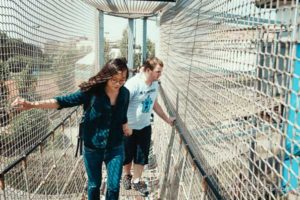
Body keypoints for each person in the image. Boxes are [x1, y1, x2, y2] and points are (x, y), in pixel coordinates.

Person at [11, 58, 132, 200]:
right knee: (94, 185)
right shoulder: (92, 92)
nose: (118, 83)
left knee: (114, 187)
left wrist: (125, 125)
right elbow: (62, 101)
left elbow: (121, 114)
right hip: (93, 147)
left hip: (115, 147)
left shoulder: (125, 93)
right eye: (114, 80)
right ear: (106, 76)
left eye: (122, 80)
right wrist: (32, 104)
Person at [122, 57, 175, 196]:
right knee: (127, 156)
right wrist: (124, 125)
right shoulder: (132, 84)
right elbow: (122, 105)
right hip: (129, 127)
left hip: (145, 126)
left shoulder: (155, 84)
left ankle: (136, 181)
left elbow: (154, 104)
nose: (160, 74)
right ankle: (127, 175)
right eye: (158, 71)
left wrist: (167, 119)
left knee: (141, 156)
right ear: (147, 70)